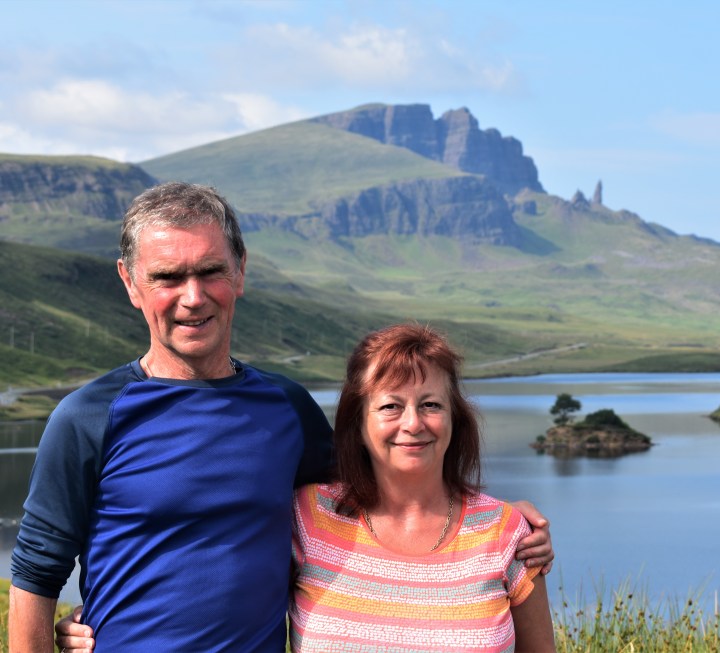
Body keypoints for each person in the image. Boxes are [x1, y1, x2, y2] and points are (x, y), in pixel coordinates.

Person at [9, 181, 552, 652]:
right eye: (168, 277)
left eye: (211, 271)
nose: (192, 297)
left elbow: (381, 486)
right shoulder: (87, 417)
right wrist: (69, 629)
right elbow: (36, 572)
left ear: (241, 272)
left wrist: (498, 519)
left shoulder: (287, 410)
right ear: (130, 282)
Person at [289, 323, 556, 651]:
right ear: (357, 422)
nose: (413, 423)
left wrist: (500, 518)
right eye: (391, 406)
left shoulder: (508, 534)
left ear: (454, 419)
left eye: (431, 405)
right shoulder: (305, 518)